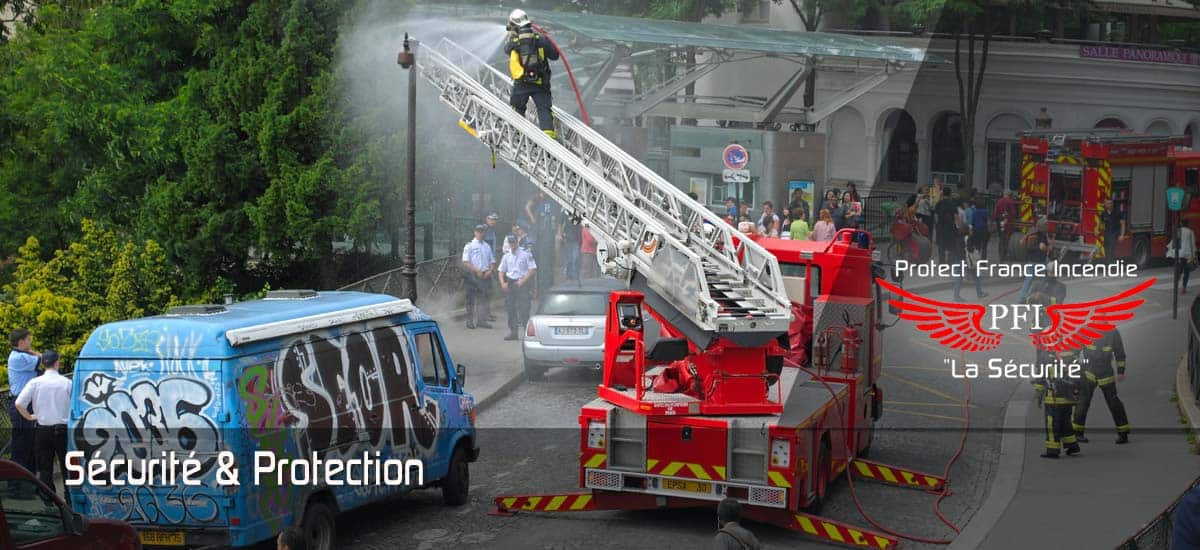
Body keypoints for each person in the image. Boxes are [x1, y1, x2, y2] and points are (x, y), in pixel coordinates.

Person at [15, 350, 72, 500]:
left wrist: (30, 416)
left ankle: (50, 502)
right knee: (68, 467)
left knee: (45, 469)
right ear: (57, 362)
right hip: (63, 430)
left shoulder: (35, 383)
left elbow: (19, 403)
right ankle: (70, 500)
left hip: (42, 430)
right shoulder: (67, 382)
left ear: (42, 364)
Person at [505, 9, 560, 139]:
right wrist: (546, 38)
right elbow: (555, 55)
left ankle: (515, 135)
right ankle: (548, 139)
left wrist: (512, 37)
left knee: (517, 108)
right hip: (541, 83)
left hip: (521, 84)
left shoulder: (514, 43)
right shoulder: (541, 39)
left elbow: (506, 50)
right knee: (544, 110)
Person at [1073, 328, 1131, 445]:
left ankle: (1123, 432)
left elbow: (1120, 352)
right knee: (1084, 402)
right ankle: (1078, 433)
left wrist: (1121, 371)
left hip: (1100, 372)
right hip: (1095, 371)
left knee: (1110, 403)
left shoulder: (1110, 332)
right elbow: (1074, 351)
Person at [6, 329, 39, 473]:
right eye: (28, 339)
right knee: (21, 446)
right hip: (21, 404)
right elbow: (44, 359)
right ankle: (15, 485)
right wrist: (34, 353)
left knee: (31, 444)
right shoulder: (18, 358)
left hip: (28, 403)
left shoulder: (22, 355)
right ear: (21, 342)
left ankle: (29, 482)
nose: (30, 342)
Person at [498, 235, 537, 341]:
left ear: (517, 241)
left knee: (524, 308)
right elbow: (501, 271)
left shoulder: (526, 253)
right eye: (510, 242)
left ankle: (527, 333)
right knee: (510, 308)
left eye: (514, 242)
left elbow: (532, 269)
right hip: (510, 283)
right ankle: (513, 332)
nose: (512, 244)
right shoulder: (506, 255)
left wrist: (523, 280)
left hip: (522, 283)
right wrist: (503, 283)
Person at [461, 225, 496, 330]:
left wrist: (490, 271)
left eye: (482, 232)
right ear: (475, 232)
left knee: (484, 299)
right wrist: (477, 271)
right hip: (473, 275)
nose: (481, 233)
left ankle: (481, 320)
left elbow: (492, 261)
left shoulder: (487, 246)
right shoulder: (469, 245)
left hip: (485, 275)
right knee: (470, 299)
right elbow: (466, 261)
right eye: (479, 231)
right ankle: (469, 320)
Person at [1168, 221, 1197, 294]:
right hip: (1187, 255)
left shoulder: (1178, 231)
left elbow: (1174, 243)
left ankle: (1176, 287)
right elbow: (1192, 244)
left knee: (1179, 271)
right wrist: (1194, 255)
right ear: (1187, 224)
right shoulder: (1190, 232)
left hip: (1179, 254)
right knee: (1186, 272)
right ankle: (1184, 288)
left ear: (1181, 224)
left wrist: (1171, 252)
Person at [993, 190, 1018, 261]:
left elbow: (995, 213)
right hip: (1008, 222)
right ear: (1010, 195)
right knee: (1007, 238)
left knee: (1001, 238)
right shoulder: (1010, 201)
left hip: (1000, 221)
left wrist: (996, 220)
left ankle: (1001, 254)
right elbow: (1013, 213)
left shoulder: (999, 201)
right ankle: (1005, 254)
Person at [559, 215, 583, 282]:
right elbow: (560, 223)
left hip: (577, 239)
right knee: (570, 258)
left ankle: (574, 277)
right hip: (568, 238)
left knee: (575, 258)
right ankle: (569, 276)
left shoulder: (579, 211)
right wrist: (560, 235)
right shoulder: (566, 211)